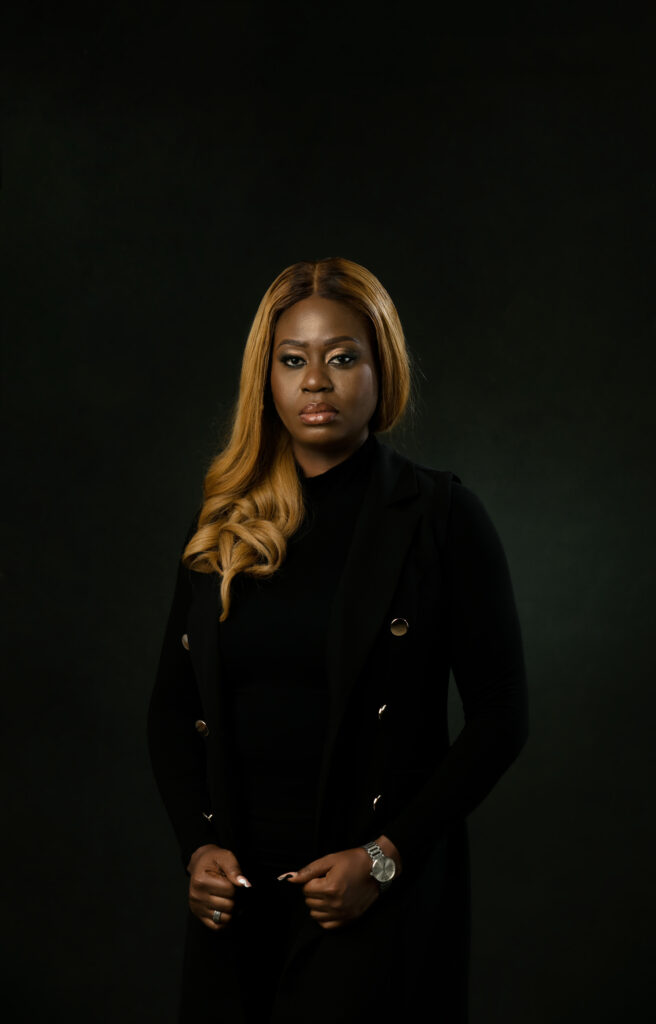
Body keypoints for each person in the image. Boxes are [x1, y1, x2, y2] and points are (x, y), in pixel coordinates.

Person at [147, 256, 528, 1023]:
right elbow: (171, 710)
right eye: (293, 361)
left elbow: (500, 717)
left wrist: (384, 859)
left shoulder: (439, 517)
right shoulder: (224, 525)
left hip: (369, 894)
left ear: (381, 371)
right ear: (266, 378)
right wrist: (197, 847)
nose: (315, 382)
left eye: (342, 358)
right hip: (238, 897)